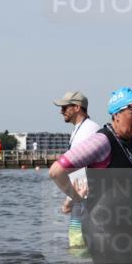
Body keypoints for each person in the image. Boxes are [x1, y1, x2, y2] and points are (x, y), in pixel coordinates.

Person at [49, 87, 132, 264]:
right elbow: (56, 171)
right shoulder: (102, 142)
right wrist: (74, 197)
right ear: (116, 115)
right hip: (102, 230)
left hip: (124, 231)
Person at [54, 91, 101, 251]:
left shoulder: (87, 130)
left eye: (64, 107)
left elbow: (81, 168)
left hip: (86, 198)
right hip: (83, 197)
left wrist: (70, 198)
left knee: (79, 247)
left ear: (77, 107)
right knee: (79, 246)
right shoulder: (81, 129)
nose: (61, 111)